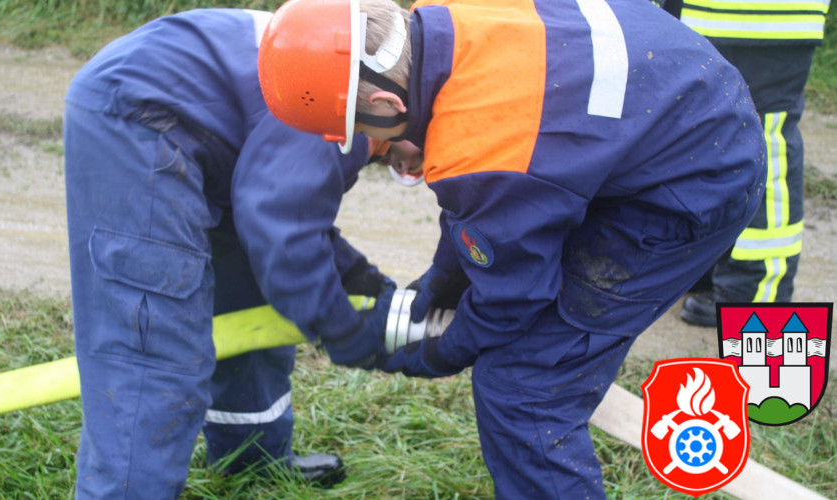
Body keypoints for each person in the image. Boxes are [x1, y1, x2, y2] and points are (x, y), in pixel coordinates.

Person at [257, 0, 767, 498]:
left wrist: (438, 353)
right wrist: (445, 280)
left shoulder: (482, 146)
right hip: (679, 104)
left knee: (523, 388)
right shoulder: (447, 17)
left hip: (695, 182)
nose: (381, 151)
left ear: (390, 105)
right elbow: (493, 206)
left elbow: (513, 297)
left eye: (368, 134)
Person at [63, 8, 420, 498]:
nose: (408, 167)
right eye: (415, 161)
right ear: (395, 108)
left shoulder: (371, 69)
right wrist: (344, 332)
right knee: (155, 351)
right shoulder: (341, 108)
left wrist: (362, 280)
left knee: (250, 306)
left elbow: (291, 209)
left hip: (213, 139)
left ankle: (250, 460)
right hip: (141, 119)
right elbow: (283, 228)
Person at [676, 0, 832, 326]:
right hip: (711, 16)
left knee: (761, 142)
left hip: (757, 17)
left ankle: (758, 298)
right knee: (704, 140)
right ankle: (716, 268)